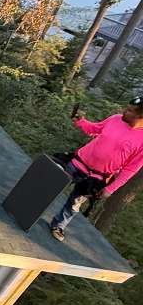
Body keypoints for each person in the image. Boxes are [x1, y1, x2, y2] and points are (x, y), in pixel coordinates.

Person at [50, 96, 143, 241]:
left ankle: (59, 225)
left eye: (130, 111)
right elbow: (95, 129)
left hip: (96, 179)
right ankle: (30, 203)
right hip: (76, 163)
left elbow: (130, 170)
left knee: (75, 203)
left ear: (141, 116)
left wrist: (110, 189)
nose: (125, 111)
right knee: (50, 183)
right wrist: (81, 121)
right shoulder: (115, 119)